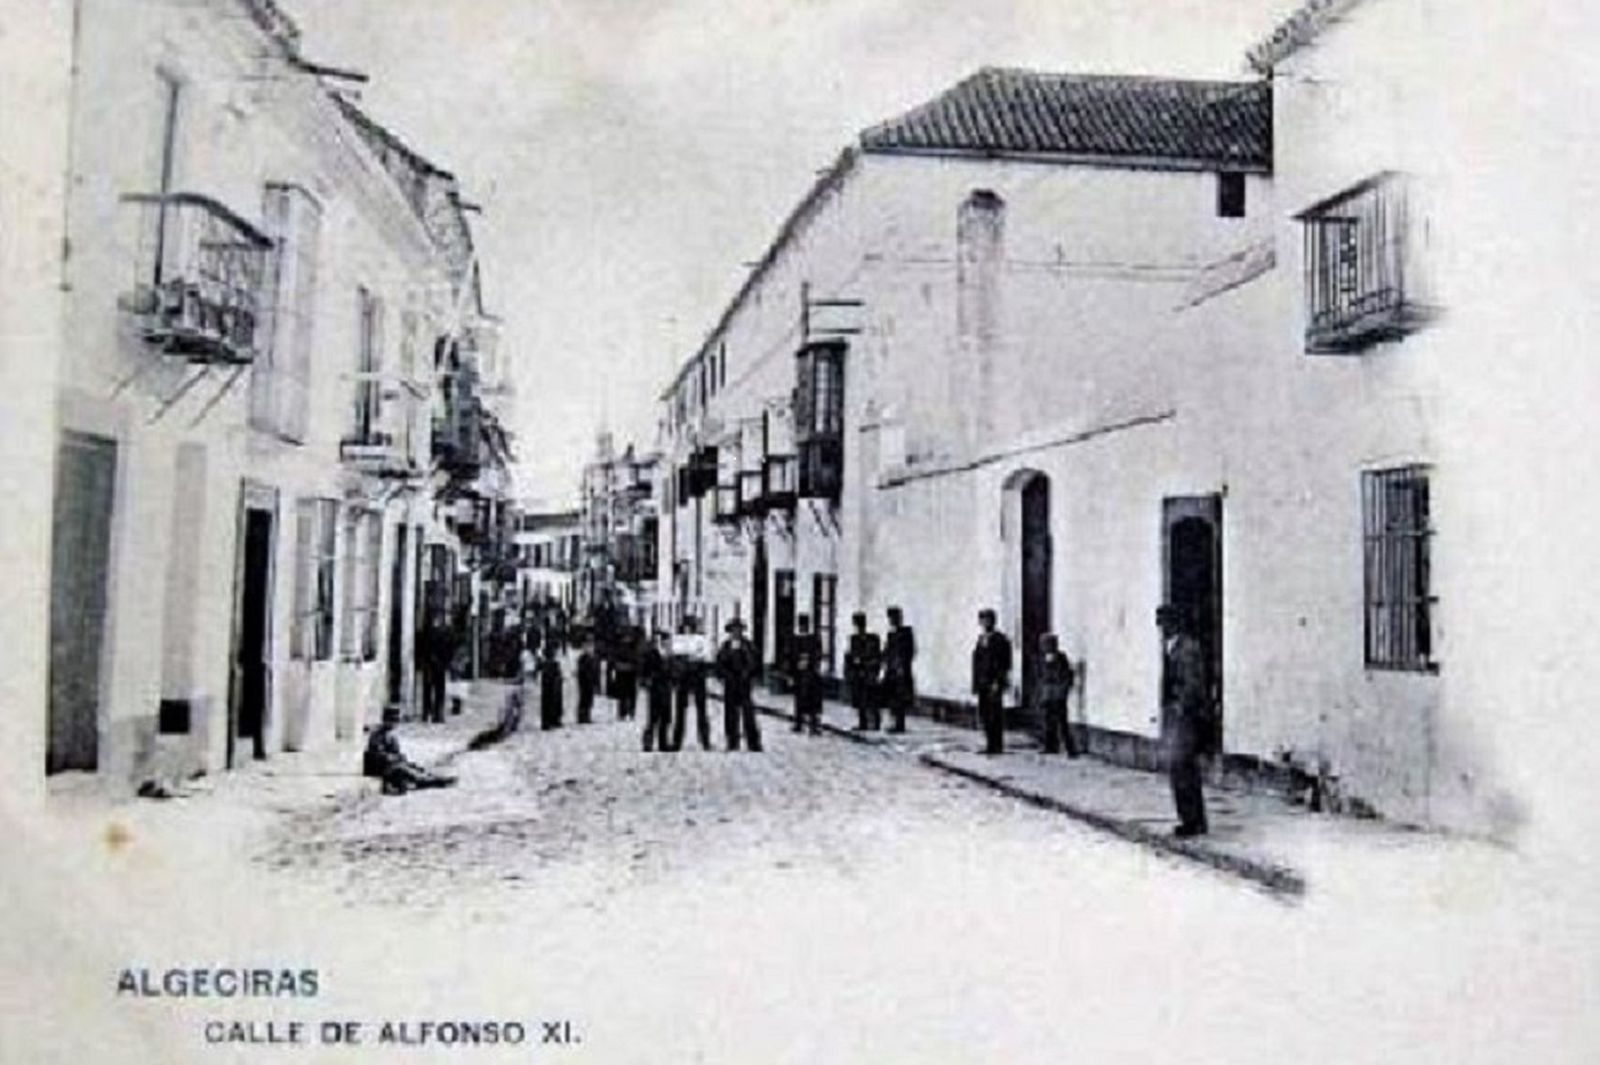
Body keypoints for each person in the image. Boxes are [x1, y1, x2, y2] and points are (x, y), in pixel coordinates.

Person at [1159, 604, 1213, 837]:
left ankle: (1193, 821)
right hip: (1177, 717)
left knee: (1182, 767)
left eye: (1165, 623)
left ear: (1175, 623)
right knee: (1180, 768)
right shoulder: (1173, 647)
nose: (1162, 628)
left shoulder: (1187, 648)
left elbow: (1192, 684)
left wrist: (1181, 708)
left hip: (1185, 718)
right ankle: (1190, 819)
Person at [363, 708, 456, 794]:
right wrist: (395, 757)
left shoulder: (390, 735)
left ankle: (433, 778)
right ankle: (431, 781)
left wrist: (399, 757)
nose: (394, 724)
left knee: (414, 767)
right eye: (392, 720)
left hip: (391, 765)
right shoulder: (377, 736)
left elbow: (395, 752)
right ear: (385, 720)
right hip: (382, 768)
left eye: (396, 721)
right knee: (404, 769)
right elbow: (380, 756)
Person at [716, 618, 763, 752]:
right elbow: (719, 664)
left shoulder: (748, 646)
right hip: (730, 684)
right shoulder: (725, 646)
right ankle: (732, 741)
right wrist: (726, 676)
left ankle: (753, 743)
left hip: (744, 684)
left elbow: (754, 662)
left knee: (748, 714)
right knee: (730, 714)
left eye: (738, 630)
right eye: (733, 630)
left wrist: (747, 675)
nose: (736, 632)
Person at [971, 608, 1013, 755]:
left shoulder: (1000, 639)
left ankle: (997, 745)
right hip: (982, 682)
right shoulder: (981, 639)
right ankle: (989, 743)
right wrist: (975, 683)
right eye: (982, 620)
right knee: (984, 714)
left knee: (995, 714)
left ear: (993, 621)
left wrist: (998, 681)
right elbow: (976, 663)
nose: (985, 623)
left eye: (987, 620)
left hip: (994, 682)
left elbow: (1005, 663)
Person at [669, 617, 713, 751]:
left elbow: (705, 655)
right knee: (680, 711)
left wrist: (692, 658)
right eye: (685, 627)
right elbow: (675, 656)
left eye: (690, 627)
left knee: (702, 710)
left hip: (698, 676)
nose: (688, 630)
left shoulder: (700, 640)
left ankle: (705, 740)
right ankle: (677, 741)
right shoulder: (678, 640)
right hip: (683, 678)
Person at [1036, 633, 1080, 757]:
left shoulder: (1061, 658)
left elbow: (1066, 675)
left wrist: (1063, 689)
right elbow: (1040, 676)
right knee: (1047, 721)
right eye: (1044, 644)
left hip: (1058, 694)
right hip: (1047, 694)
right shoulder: (1041, 659)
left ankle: (1070, 748)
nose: (1045, 647)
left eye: (1048, 644)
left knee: (1062, 722)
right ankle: (1050, 746)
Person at [844, 611, 884, 731]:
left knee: (872, 699)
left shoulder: (872, 639)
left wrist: (871, 667)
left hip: (869, 672)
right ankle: (863, 723)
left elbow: (877, 656)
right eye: (857, 624)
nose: (858, 627)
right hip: (858, 673)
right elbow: (850, 655)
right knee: (859, 698)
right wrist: (850, 668)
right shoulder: (854, 639)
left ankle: (876, 723)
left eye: (860, 623)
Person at [882, 606, 916, 733]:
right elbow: (887, 651)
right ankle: (895, 722)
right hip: (892, 670)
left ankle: (900, 724)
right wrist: (884, 661)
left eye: (893, 618)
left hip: (902, 670)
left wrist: (902, 664)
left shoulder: (906, 632)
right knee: (892, 697)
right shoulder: (891, 634)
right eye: (890, 618)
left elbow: (910, 651)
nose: (891, 621)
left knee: (900, 698)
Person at [640, 630, 673, 752]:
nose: (666, 643)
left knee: (666, 717)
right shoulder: (651, 654)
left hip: (666, 688)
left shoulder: (670, 655)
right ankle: (647, 743)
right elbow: (644, 670)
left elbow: (674, 670)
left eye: (667, 641)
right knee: (653, 717)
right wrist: (647, 680)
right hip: (655, 688)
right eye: (664, 641)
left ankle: (663, 743)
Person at [792, 614, 824, 735]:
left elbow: (818, 655)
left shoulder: (813, 639)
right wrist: (796, 666)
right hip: (799, 674)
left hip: (811, 674)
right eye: (801, 625)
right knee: (799, 700)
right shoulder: (795, 640)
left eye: (804, 625)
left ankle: (813, 725)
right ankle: (799, 723)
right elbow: (791, 655)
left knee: (812, 700)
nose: (803, 628)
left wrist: (811, 662)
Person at [417, 611, 451, 724]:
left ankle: (434, 714)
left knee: (435, 690)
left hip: (436, 665)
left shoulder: (442, 632)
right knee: (432, 690)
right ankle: (432, 714)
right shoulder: (432, 632)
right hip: (432, 665)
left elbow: (448, 648)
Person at [611, 626, 641, 722]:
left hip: (628, 671)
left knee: (629, 693)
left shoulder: (633, 645)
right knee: (624, 694)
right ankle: (624, 712)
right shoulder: (622, 645)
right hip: (624, 671)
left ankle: (628, 712)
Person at [539, 641, 564, 730]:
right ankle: (549, 721)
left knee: (553, 702)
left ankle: (553, 720)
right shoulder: (550, 664)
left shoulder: (552, 663)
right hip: (550, 686)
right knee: (549, 702)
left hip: (553, 686)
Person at [575, 638, 600, 725]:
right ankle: (582, 717)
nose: (590, 649)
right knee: (584, 699)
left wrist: (595, 681)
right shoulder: (583, 658)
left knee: (589, 699)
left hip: (590, 682)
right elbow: (582, 671)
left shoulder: (593, 658)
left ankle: (587, 716)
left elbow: (595, 671)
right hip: (584, 682)